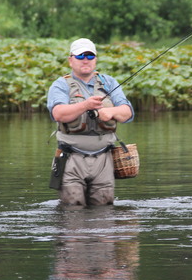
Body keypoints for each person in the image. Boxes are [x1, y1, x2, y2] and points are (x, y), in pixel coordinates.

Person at [47, 38, 134, 206]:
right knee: (72, 210)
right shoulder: (60, 85)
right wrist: (85, 105)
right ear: (70, 60)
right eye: (80, 56)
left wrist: (111, 111)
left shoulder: (109, 82)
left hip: (104, 159)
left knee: (104, 211)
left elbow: (127, 113)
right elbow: (58, 114)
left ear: (95, 59)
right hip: (70, 158)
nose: (85, 59)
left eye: (90, 55)